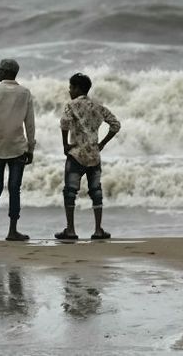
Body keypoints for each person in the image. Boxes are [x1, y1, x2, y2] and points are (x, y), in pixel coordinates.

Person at [54, 72, 121, 241]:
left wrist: (65, 144)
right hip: (93, 155)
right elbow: (115, 124)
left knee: (70, 192)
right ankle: (98, 230)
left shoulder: (71, 105)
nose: (69, 91)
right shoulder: (97, 106)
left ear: (77, 88)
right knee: (96, 192)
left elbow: (64, 123)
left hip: (76, 154)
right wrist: (103, 143)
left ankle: (70, 230)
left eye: (71, 87)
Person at [0, 58, 35, 241]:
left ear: (5, 72)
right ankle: (12, 230)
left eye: (0, 71)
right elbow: (30, 123)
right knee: (15, 189)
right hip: (18, 147)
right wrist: (31, 147)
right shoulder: (25, 93)